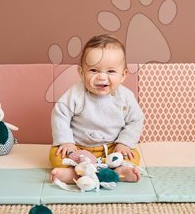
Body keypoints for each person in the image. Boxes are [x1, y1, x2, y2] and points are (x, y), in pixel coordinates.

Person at [49, 34, 145, 184]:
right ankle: (72, 173)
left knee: (132, 155)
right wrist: (66, 141)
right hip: (79, 147)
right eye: (93, 70)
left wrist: (124, 143)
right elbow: (60, 114)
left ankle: (120, 171)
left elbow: (136, 120)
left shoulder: (125, 97)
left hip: (113, 147)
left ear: (123, 75)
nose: (101, 77)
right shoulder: (76, 94)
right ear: (81, 73)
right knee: (57, 155)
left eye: (111, 71)